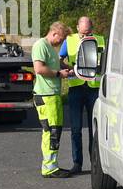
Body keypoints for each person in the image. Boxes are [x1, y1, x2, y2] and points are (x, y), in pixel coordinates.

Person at [59, 16, 106, 174]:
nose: (85, 36)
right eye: (83, 33)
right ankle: (77, 163)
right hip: (76, 88)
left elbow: (107, 62)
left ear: (92, 28)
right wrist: (69, 69)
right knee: (76, 129)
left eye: (88, 33)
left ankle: (95, 163)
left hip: (94, 88)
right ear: (77, 27)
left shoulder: (100, 40)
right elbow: (59, 59)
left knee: (95, 129)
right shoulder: (69, 40)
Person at [31, 22, 73, 178]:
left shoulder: (50, 48)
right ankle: (49, 168)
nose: (61, 43)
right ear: (55, 33)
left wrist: (66, 67)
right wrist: (58, 74)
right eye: (61, 39)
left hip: (52, 95)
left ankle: (51, 165)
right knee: (52, 132)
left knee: (52, 130)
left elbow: (55, 64)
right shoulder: (41, 45)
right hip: (46, 95)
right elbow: (39, 69)